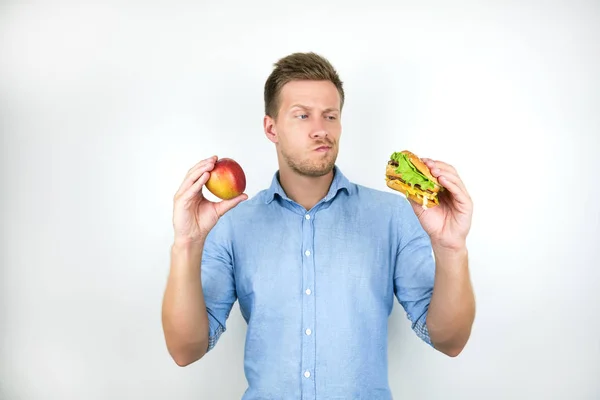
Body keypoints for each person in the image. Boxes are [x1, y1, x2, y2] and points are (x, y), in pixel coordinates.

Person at [161, 52, 476, 399]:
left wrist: (451, 249)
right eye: (302, 115)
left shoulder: (394, 215)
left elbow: (450, 341)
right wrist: (187, 243)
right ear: (271, 128)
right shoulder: (233, 224)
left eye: (330, 116)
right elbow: (185, 351)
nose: (320, 130)